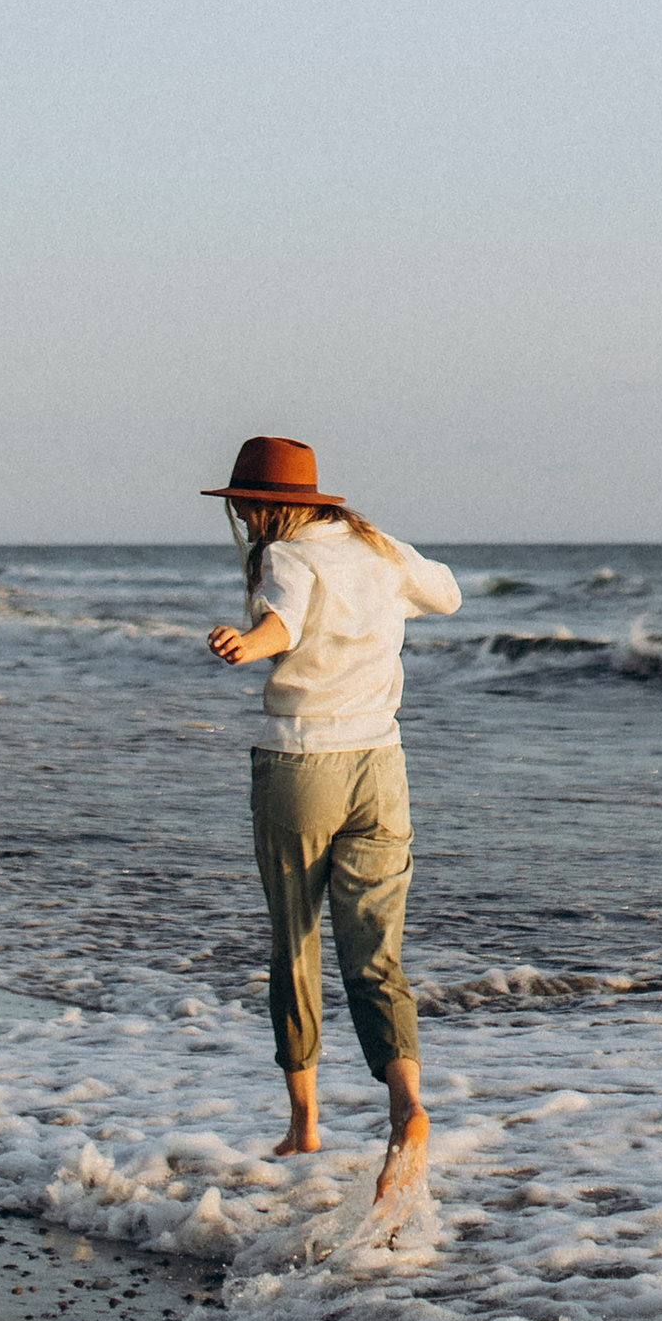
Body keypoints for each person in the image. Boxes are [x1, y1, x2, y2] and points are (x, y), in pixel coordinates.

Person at [203, 434, 460, 1199]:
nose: (245, 522)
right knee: (376, 951)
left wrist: (251, 645)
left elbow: (283, 620)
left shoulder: (289, 556)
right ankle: (406, 1104)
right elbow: (447, 593)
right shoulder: (378, 551)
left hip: (301, 765)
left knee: (297, 942)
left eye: (245, 507)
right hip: (382, 768)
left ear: (261, 505)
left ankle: (304, 1125)